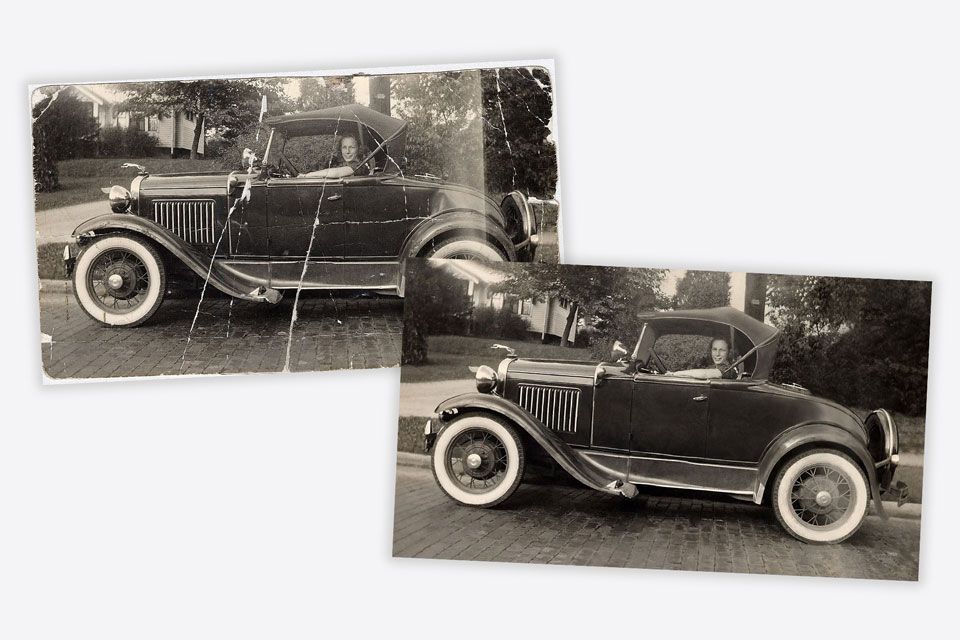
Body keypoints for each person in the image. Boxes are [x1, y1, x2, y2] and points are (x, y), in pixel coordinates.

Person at [302, 134, 371, 178]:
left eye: (352, 147)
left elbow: (336, 173)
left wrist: (307, 175)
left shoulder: (359, 166)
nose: (347, 151)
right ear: (340, 149)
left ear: (358, 149)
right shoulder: (342, 164)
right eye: (344, 147)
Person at [669, 337, 738, 380]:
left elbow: (703, 374)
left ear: (728, 352)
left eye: (722, 350)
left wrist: (676, 374)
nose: (717, 354)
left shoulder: (728, 369)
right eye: (714, 349)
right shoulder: (713, 367)